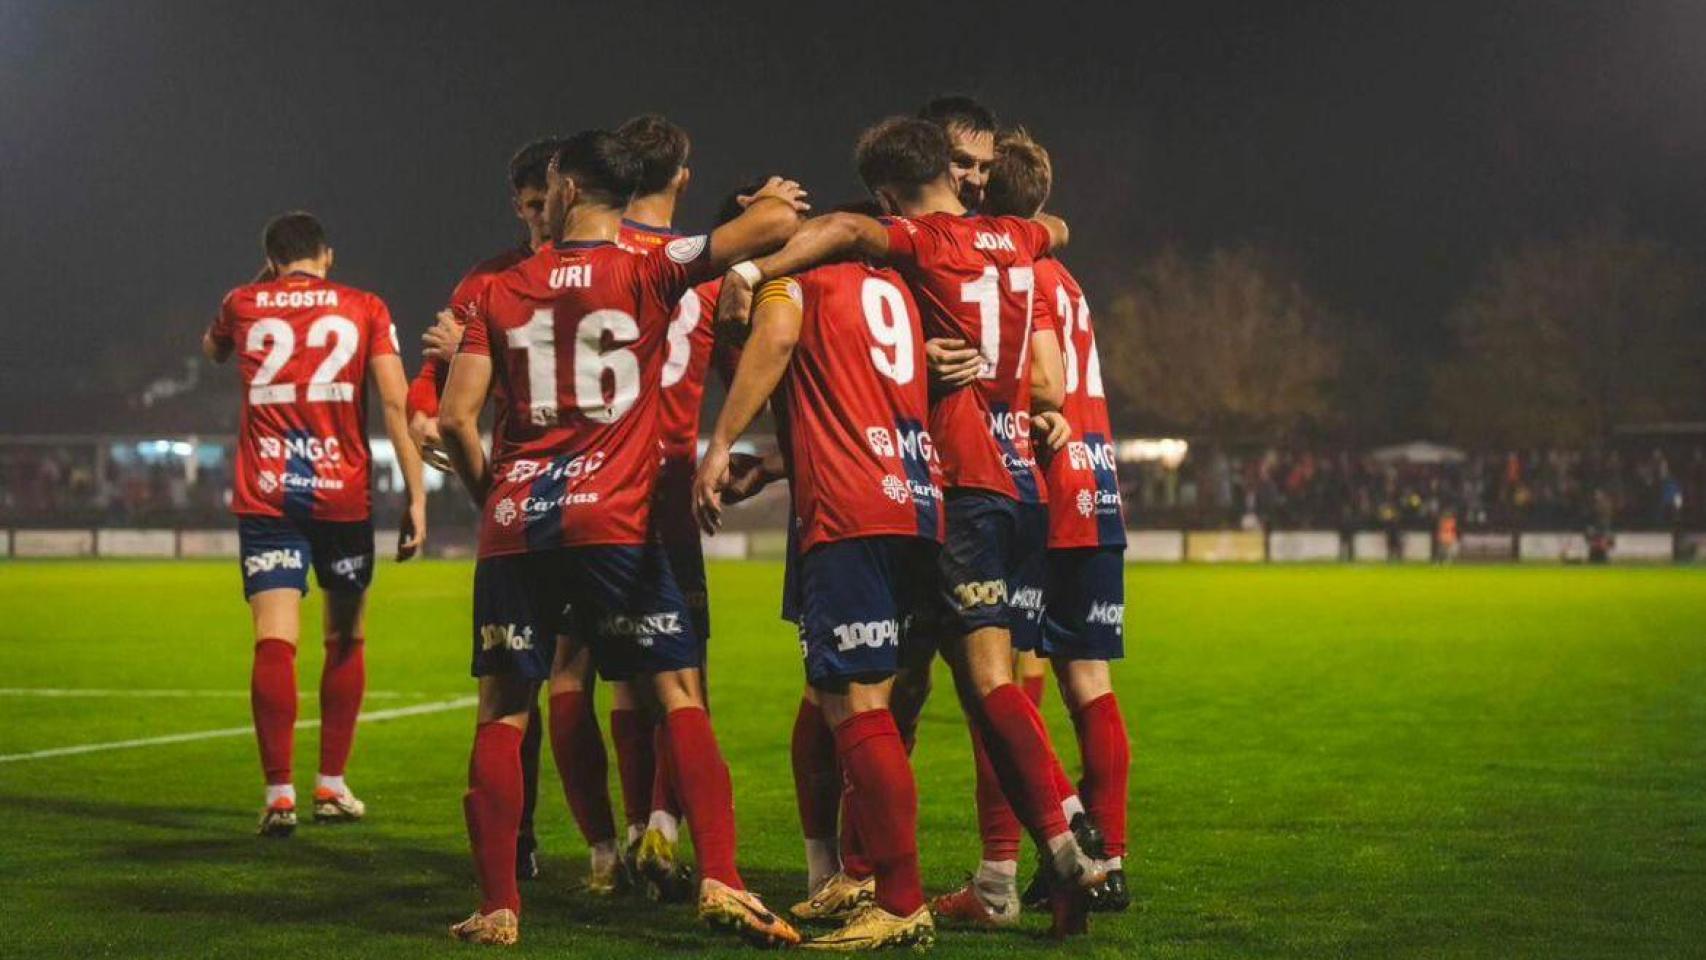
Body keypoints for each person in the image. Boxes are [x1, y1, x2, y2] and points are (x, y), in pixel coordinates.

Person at [713, 116, 1104, 938]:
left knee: (868, 693)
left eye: (983, 167)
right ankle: (1042, 851)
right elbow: (1052, 256)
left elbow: (833, 264)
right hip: (980, 484)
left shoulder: (903, 248)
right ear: (941, 166)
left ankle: (892, 883)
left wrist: (751, 270)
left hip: (936, 486)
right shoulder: (1015, 240)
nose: (972, 178)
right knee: (952, 685)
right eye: (963, 164)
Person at [436, 129, 806, 946]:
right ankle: (722, 879)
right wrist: (765, 202)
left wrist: (495, 495)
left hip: (518, 525)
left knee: (502, 713)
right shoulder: (652, 268)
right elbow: (776, 226)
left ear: (564, 190)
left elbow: (456, 419)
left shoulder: (497, 287)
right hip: (619, 520)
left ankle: (499, 905)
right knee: (678, 693)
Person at [694, 234, 945, 949]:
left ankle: (898, 899)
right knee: (849, 697)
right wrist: (775, 464)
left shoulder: (794, 277)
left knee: (857, 704)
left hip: (847, 512)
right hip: (913, 501)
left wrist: (719, 444)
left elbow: (775, 343)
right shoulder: (897, 288)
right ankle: (853, 877)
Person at [202, 211, 426, 836]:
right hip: (341, 494)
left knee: (275, 640)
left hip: (269, 493)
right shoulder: (365, 306)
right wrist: (416, 494)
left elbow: (211, 349)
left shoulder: (243, 303)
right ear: (327, 254)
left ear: (272, 259)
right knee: (346, 637)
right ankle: (330, 784)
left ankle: (279, 793)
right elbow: (394, 403)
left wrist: (264, 281)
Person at [981, 129, 1133, 912]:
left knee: (1003, 679)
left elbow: (1044, 381)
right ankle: (1111, 852)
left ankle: (1034, 853)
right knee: (1091, 681)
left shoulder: (1012, 272)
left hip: (1044, 482)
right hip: (1100, 484)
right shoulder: (1067, 278)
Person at [407, 136, 561, 882]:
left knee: (625, 683)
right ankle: (520, 837)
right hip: (526, 496)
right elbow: (431, 380)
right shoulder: (491, 279)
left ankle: (630, 840)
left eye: (551, 202)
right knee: (518, 682)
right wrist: (418, 413)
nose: (542, 218)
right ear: (518, 205)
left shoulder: (608, 263)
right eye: (531, 206)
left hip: (605, 500)